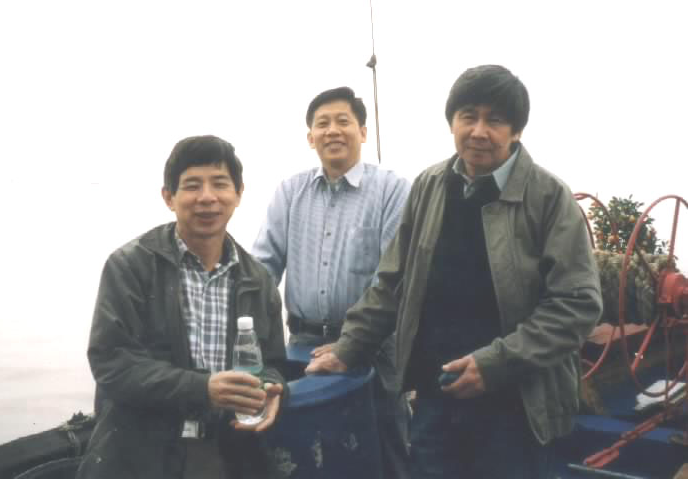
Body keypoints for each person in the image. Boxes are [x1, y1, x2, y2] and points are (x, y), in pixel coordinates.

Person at [306, 65, 603, 478]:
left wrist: (495, 364)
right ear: (452, 123)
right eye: (468, 117)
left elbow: (578, 304)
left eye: (495, 120)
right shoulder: (429, 186)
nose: (479, 131)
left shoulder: (548, 197)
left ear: (516, 131)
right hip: (436, 401)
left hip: (517, 411)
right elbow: (392, 282)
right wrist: (348, 347)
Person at [76, 135, 288, 479]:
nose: (207, 197)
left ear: (238, 194)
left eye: (219, 183)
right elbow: (111, 363)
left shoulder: (258, 279)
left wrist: (273, 390)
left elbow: (273, 364)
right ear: (168, 197)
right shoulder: (130, 265)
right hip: (140, 456)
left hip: (225, 453)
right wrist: (202, 389)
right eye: (192, 185)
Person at [252, 86, 411, 478]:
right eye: (322, 124)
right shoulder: (290, 192)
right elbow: (261, 270)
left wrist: (351, 343)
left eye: (343, 121)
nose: (333, 130)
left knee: (386, 456)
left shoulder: (392, 190)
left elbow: (393, 279)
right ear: (310, 137)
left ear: (363, 132)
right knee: (308, 456)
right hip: (302, 347)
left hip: (373, 349)